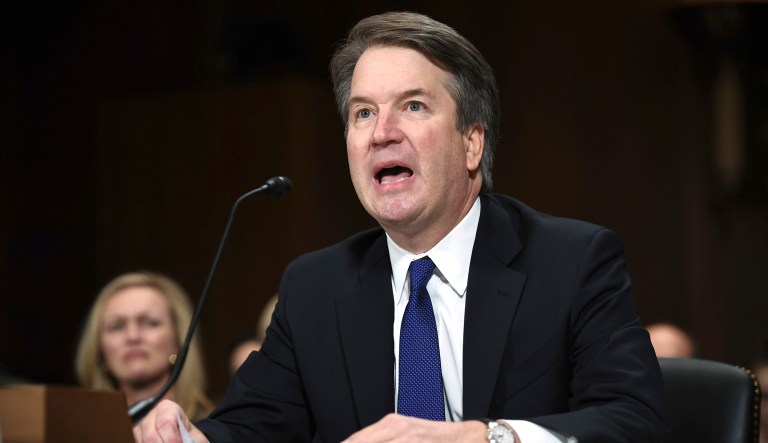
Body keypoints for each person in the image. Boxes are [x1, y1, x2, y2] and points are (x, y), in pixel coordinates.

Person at [137, 11, 666, 442]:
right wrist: (190, 437)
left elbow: (633, 422)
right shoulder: (316, 287)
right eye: (363, 114)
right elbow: (250, 426)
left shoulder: (570, 262)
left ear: (471, 143)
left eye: (412, 106)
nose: (381, 133)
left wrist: (483, 438)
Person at [75, 271, 213, 422]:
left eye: (150, 323)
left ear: (178, 339)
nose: (133, 336)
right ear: (99, 349)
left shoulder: (216, 430)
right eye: (117, 326)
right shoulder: (77, 429)